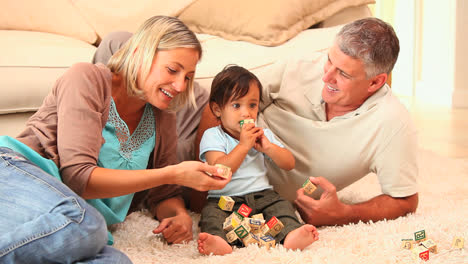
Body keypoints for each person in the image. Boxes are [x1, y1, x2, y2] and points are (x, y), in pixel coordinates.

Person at [0, 16, 230, 263]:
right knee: (86, 223)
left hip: (72, 220)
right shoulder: (87, 78)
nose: (180, 85)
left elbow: (164, 193)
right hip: (16, 173)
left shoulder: (162, 117)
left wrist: (179, 215)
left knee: (117, 261)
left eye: (187, 76)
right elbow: (79, 178)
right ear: (140, 53)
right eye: (173, 70)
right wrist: (173, 173)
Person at [195, 17, 419, 227]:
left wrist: (343, 214)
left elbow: (405, 200)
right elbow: (220, 103)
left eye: (343, 74)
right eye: (329, 60)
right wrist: (203, 190)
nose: (326, 76)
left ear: (375, 82)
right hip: (208, 161)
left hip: (265, 201)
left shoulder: (392, 123)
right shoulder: (299, 66)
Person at [196, 65, 319, 256]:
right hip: (224, 199)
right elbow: (219, 168)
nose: (246, 113)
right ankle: (218, 241)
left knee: (282, 207)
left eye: (252, 105)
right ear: (217, 110)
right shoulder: (213, 136)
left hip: (263, 195)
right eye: (237, 106)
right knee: (211, 216)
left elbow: (289, 163)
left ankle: (291, 235)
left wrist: (269, 147)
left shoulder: (264, 135)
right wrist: (243, 146)